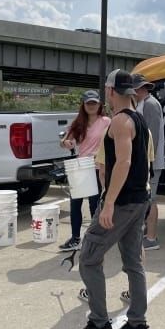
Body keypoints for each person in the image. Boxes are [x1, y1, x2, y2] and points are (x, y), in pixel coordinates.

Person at [68, 69, 150, 329]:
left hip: (124, 202)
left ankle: (99, 324)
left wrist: (110, 202)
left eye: (106, 89)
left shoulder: (119, 122)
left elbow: (124, 163)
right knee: (133, 263)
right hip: (139, 200)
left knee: (89, 257)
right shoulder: (138, 118)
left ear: (111, 91)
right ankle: (137, 326)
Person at [59, 90, 110, 251]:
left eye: (94, 103)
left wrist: (101, 155)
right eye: (88, 103)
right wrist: (66, 143)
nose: (91, 106)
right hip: (80, 167)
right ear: (84, 105)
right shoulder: (78, 122)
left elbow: (112, 143)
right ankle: (75, 238)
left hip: (97, 167)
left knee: (95, 204)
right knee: (75, 204)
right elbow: (65, 140)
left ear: (99, 104)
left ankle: (96, 238)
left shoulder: (106, 121)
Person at [132, 73, 164, 251]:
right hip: (148, 160)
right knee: (147, 199)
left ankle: (151, 238)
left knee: (151, 199)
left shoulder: (150, 105)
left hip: (150, 161)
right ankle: (148, 235)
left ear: (138, 89)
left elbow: (152, 136)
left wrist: (146, 162)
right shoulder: (144, 103)